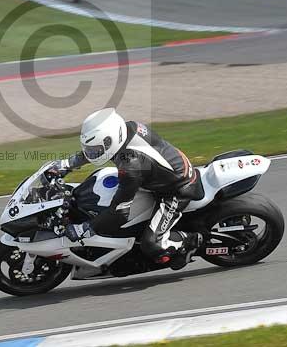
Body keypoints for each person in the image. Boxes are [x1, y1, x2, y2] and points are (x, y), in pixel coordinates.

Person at [48, 108, 204, 269]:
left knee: (151, 244)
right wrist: (68, 164)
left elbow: (120, 212)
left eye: (96, 149)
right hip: (159, 175)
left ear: (111, 140)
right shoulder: (128, 127)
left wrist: (85, 228)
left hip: (177, 190)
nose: (92, 153)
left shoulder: (131, 166)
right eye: (90, 148)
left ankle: (189, 240)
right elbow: (98, 150)